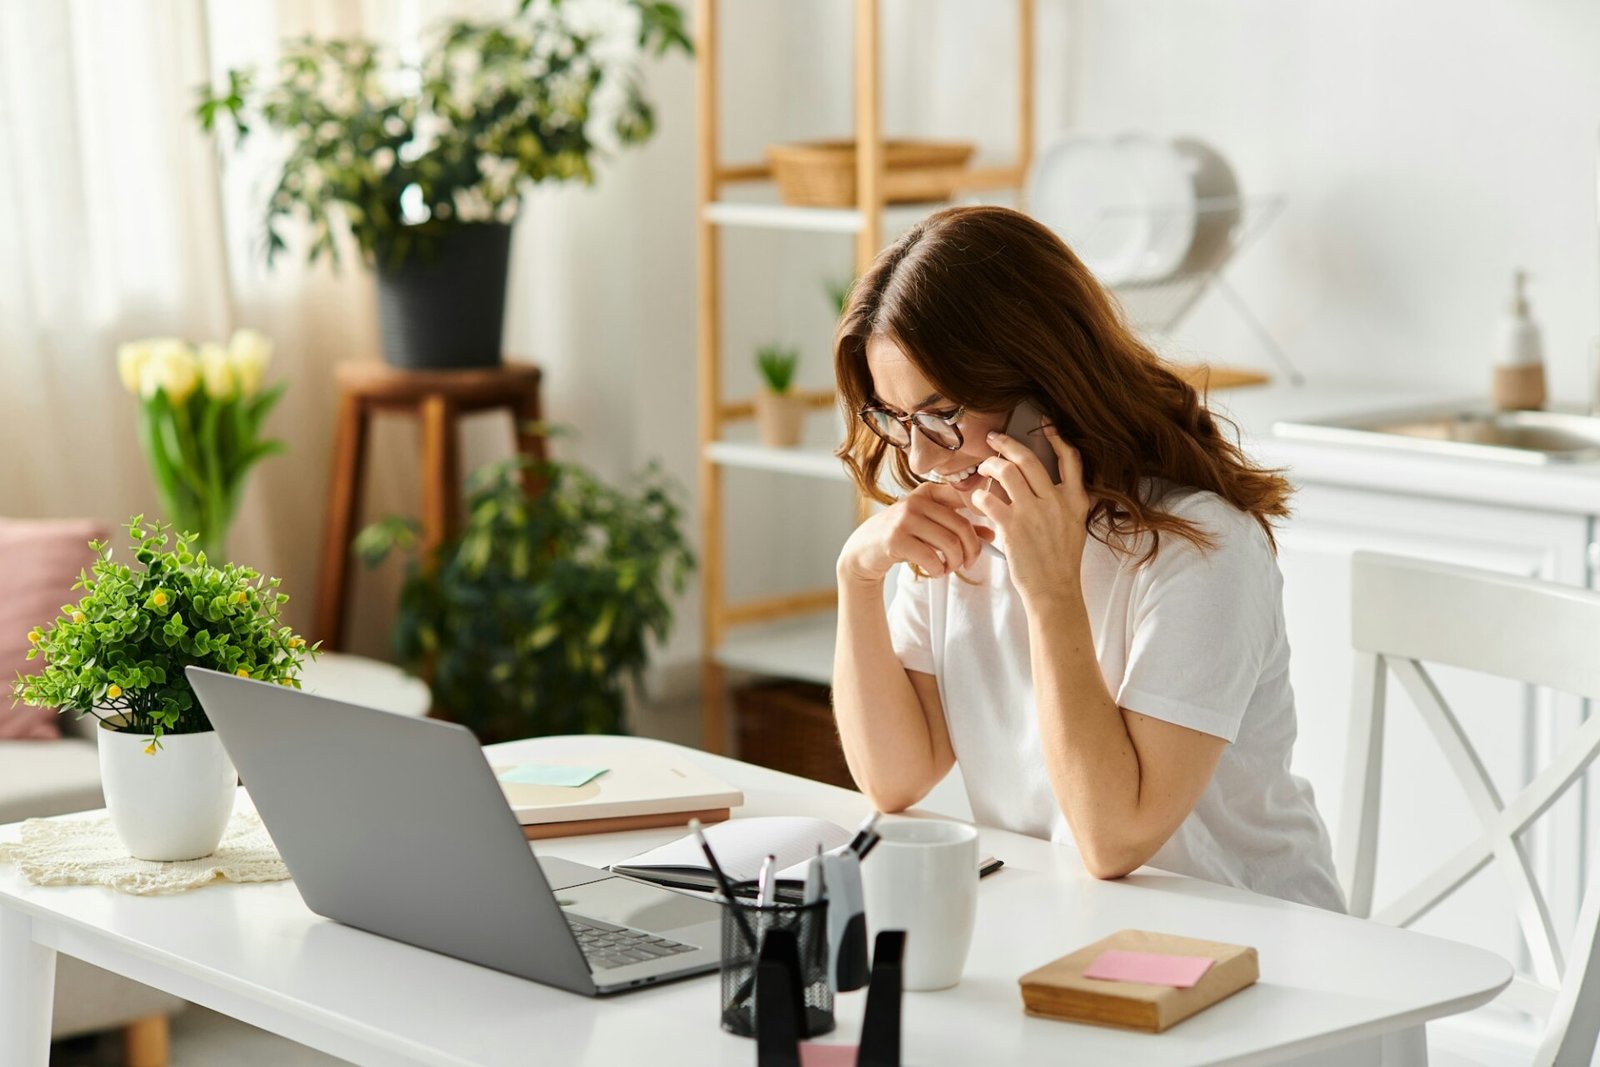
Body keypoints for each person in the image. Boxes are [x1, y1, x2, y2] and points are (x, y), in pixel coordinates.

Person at [830, 205, 1345, 911]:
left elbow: (1111, 839)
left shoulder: (1202, 549)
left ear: (1041, 385)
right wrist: (856, 579)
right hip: (1078, 928)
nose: (918, 460)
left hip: (1255, 946)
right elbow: (896, 778)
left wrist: (1050, 590)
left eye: (942, 413)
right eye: (895, 419)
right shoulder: (966, 529)